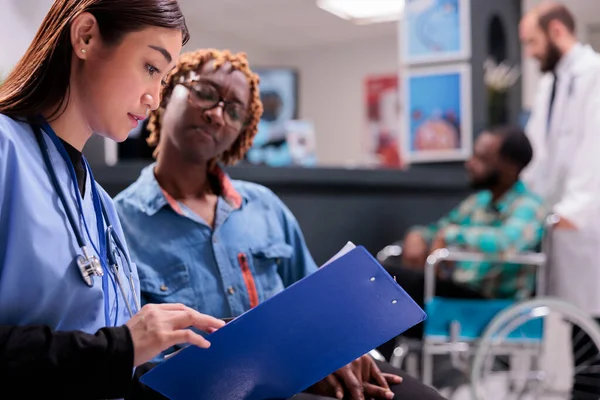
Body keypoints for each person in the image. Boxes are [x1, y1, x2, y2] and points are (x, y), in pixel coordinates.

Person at [114, 48, 445, 400]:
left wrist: (341, 347)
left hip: (302, 370)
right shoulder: (120, 222)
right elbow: (136, 352)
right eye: (205, 93)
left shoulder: (265, 208)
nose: (216, 115)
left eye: (234, 110)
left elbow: (319, 306)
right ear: (167, 90)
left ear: (242, 131)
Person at [0, 1, 226, 397]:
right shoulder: (5, 151)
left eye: (164, 80)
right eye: (152, 68)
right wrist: (120, 348)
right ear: (85, 36)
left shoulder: (103, 207)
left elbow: (100, 359)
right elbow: (107, 350)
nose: (155, 98)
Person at [384, 125, 545, 341]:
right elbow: (437, 229)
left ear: (509, 167)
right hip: (459, 290)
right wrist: (417, 236)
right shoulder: (479, 202)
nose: (470, 164)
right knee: (384, 281)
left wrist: (450, 235)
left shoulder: (528, 206)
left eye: (482, 158)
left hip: (491, 302)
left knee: (389, 284)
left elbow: (505, 242)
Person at [520, 2, 600, 397]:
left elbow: (594, 149)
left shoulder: (595, 75)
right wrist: (525, 204)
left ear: (556, 31)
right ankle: (583, 392)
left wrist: (575, 208)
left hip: (588, 222)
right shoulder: (551, 84)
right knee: (577, 320)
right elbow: (539, 156)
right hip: (561, 224)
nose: (531, 53)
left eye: (533, 42)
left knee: (594, 319)